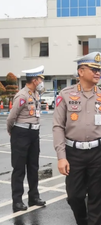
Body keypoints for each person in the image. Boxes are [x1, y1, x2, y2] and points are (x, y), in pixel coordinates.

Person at [53, 52, 101, 225]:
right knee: (74, 196)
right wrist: (61, 156)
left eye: (99, 69)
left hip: (100, 151)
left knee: (98, 196)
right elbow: (57, 127)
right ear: (81, 72)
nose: (98, 72)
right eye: (94, 69)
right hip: (74, 152)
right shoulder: (65, 95)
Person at [7, 66, 46, 212]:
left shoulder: (35, 94)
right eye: (41, 79)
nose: (42, 81)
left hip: (34, 134)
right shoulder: (22, 96)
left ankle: (33, 197)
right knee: (19, 169)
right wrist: (13, 132)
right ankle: (17, 201)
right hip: (21, 133)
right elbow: (11, 118)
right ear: (35, 80)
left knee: (33, 167)